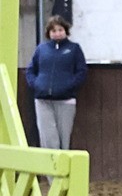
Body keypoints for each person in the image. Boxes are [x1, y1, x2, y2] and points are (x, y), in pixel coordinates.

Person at [25, 15, 88, 150]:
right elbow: (30, 70)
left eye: (60, 30)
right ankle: (50, 171)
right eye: (54, 31)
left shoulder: (74, 49)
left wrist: (69, 86)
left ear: (66, 31)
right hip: (43, 100)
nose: (57, 33)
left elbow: (81, 71)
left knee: (64, 139)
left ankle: (63, 170)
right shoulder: (41, 49)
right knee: (48, 139)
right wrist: (36, 85)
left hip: (66, 101)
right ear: (49, 33)